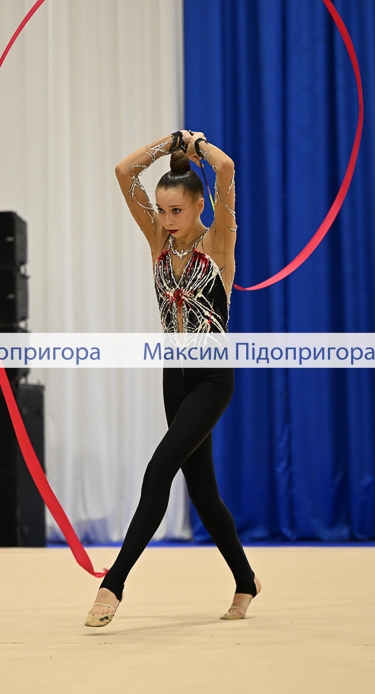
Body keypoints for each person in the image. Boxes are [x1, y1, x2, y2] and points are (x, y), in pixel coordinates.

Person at [85, 130, 260, 627]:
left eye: (176, 210)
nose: (166, 220)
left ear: (200, 205)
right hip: (174, 378)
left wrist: (197, 146)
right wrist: (169, 143)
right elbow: (124, 172)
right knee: (202, 493)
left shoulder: (218, 242)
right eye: (161, 210)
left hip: (211, 378)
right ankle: (246, 580)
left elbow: (226, 169)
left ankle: (113, 584)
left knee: (158, 471)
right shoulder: (160, 241)